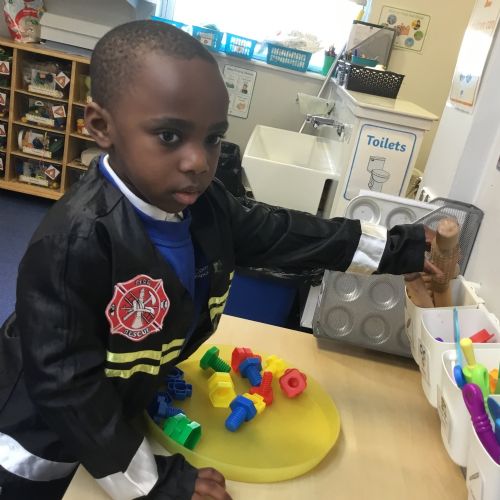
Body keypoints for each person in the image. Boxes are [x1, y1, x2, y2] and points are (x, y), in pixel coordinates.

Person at [0, 20, 439, 500]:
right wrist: (159, 485)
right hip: (41, 446)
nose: (199, 162)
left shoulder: (205, 207)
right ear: (102, 127)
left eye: (211, 138)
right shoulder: (74, 242)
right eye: (170, 136)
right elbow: (67, 388)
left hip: (123, 408)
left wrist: (405, 249)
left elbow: (284, 233)